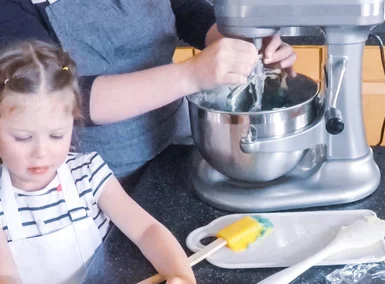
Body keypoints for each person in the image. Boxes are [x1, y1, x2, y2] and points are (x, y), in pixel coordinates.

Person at [0, 41, 221, 284]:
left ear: (73, 122)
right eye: (23, 137)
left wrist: (182, 277)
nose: (41, 152)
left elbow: (146, 230)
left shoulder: (87, 173)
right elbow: (5, 277)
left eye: (56, 135)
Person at [0, 0, 297, 191]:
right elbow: (63, 98)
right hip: (104, 175)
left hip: (179, 143)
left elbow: (186, 9)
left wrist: (242, 44)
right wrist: (191, 74)